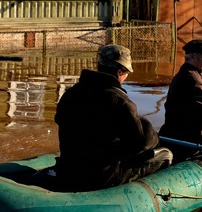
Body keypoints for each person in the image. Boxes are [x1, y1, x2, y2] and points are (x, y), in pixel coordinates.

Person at [52, 44, 172, 192]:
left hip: (69, 169)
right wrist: (152, 135)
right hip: (102, 177)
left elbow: (60, 120)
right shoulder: (120, 101)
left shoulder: (71, 93)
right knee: (166, 155)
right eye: (126, 72)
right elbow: (141, 143)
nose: (126, 77)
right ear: (120, 71)